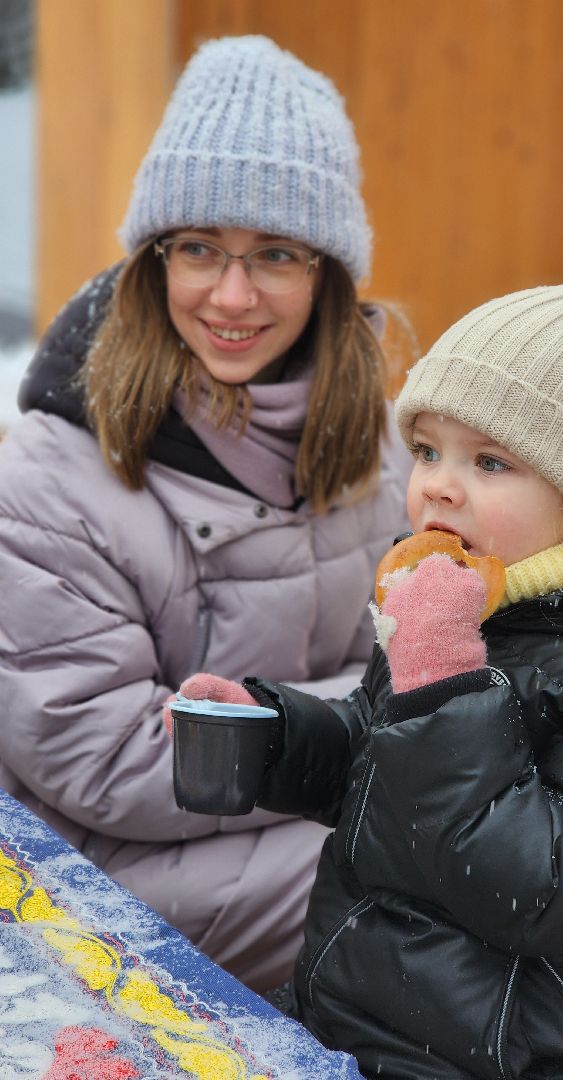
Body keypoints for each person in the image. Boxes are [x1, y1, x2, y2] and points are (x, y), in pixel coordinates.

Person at [169, 279, 563, 1079]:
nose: (438, 482)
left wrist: (440, 684)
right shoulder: (477, 604)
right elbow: (393, 769)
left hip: (512, 1055)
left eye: (491, 460)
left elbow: (549, 888)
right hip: (360, 1021)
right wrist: (280, 738)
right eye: (429, 450)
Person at [0, 35, 412, 994]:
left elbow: (413, 656)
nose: (231, 297)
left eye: (273, 253)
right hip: (83, 883)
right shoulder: (51, 475)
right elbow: (105, 757)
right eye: (198, 251)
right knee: (432, 895)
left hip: (282, 813)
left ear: (326, 274)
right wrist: (379, 751)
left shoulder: (377, 444)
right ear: (155, 261)